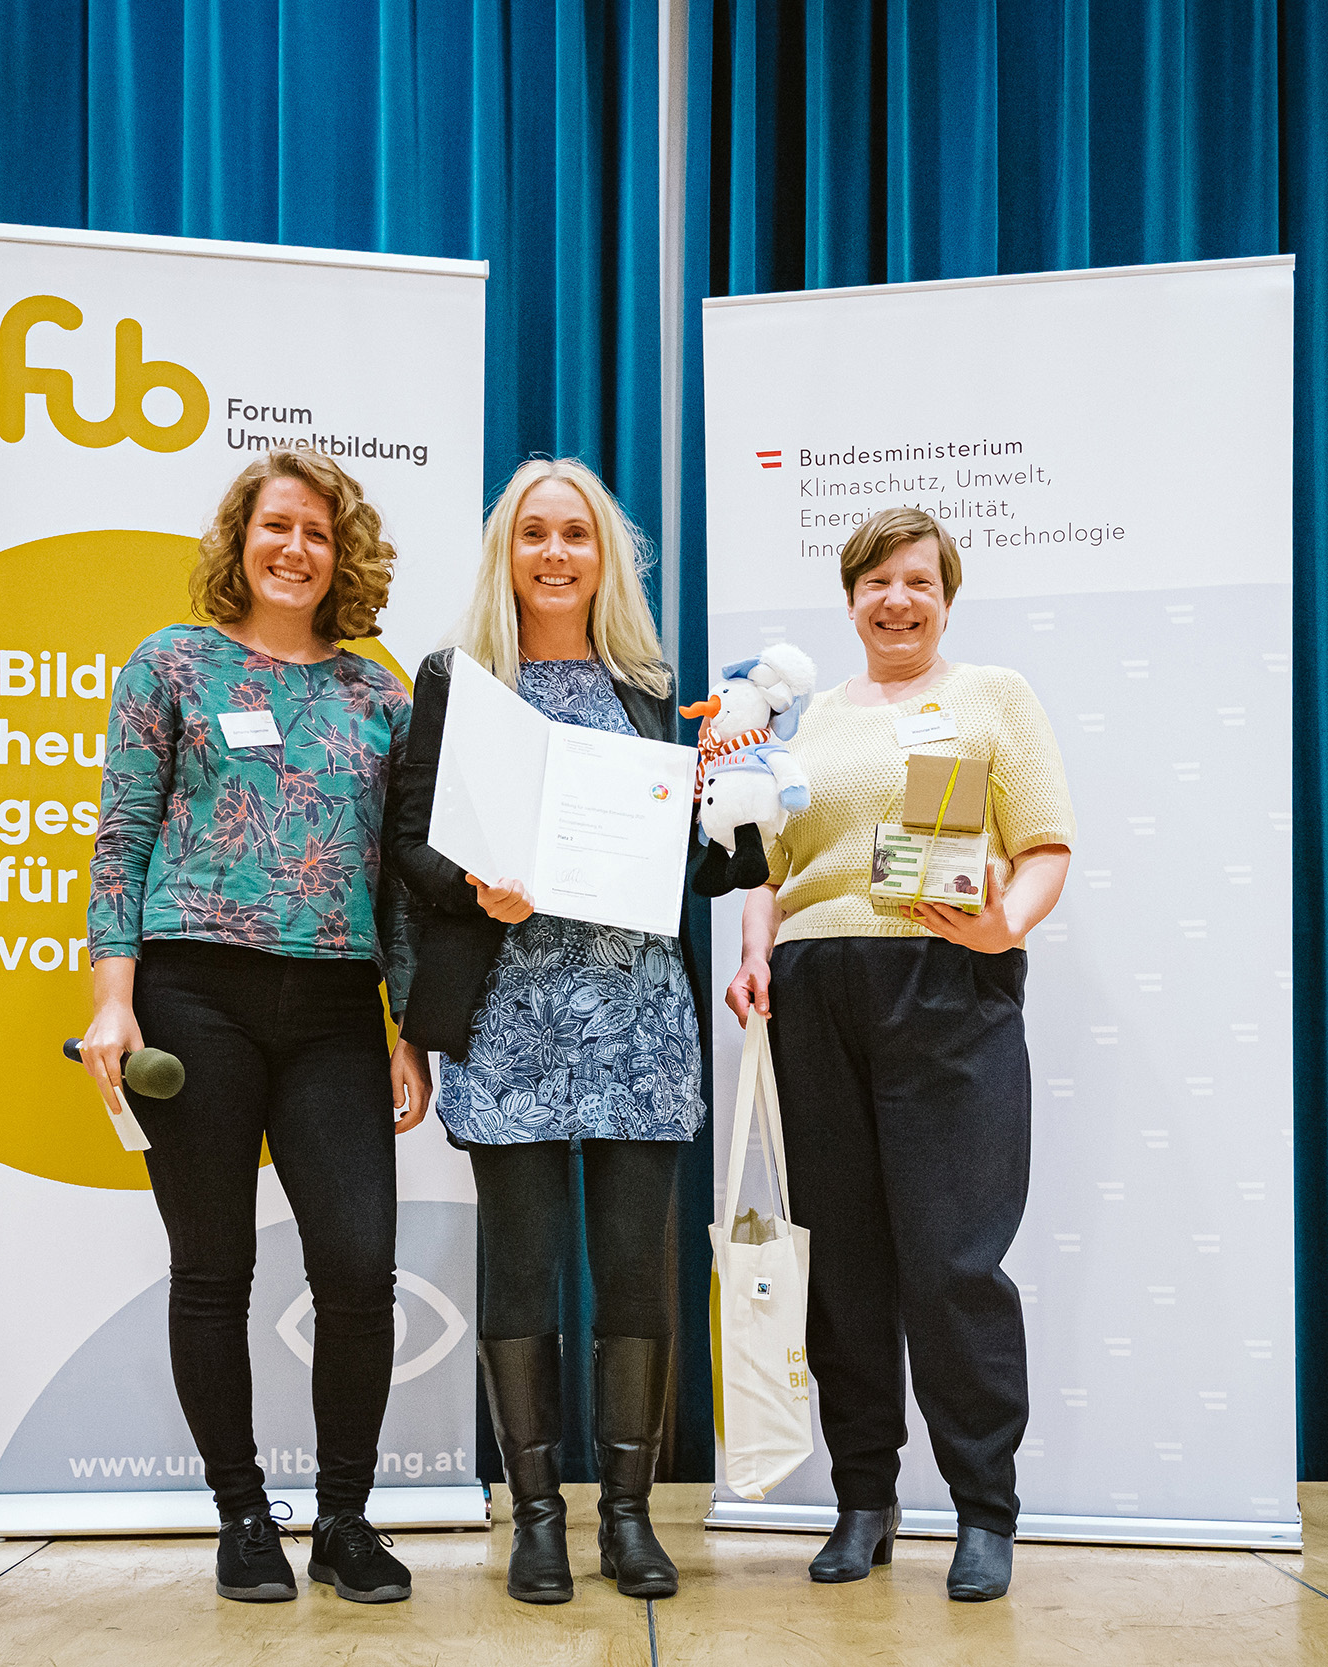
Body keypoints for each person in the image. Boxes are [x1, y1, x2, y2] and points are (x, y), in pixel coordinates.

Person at [77, 449, 431, 1608]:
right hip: (193, 993)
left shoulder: (382, 696)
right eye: (276, 526)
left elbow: (395, 882)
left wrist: (405, 1025)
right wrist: (113, 998)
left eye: (318, 534)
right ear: (240, 539)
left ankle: (343, 1519)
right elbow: (121, 841)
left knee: (357, 1269)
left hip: (334, 1004)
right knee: (214, 1267)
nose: (295, 549)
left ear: (344, 555)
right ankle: (242, 1515)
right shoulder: (170, 663)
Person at [724, 504, 1073, 1603]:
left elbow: (1046, 845)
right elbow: (768, 862)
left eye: (917, 580)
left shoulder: (990, 697)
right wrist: (753, 954)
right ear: (849, 598)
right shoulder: (811, 717)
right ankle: (863, 1498)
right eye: (876, 582)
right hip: (818, 993)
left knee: (952, 1262)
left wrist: (1003, 924)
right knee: (848, 1267)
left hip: (945, 980)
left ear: (945, 594)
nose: (896, 599)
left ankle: (983, 1511)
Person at [385, 457, 706, 1604]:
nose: (556, 553)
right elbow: (407, 844)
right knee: (520, 1269)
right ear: (505, 553)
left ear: (603, 554)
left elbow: (692, 863)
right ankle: (535, 1520)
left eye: (576, 534)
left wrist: (743, 803)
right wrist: (475, 885)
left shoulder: (649, 685)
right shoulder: (457, 680)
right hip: (509, 1021)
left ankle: (625, 1516)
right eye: (535, 534)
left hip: (634, 1021)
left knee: (635, 1273)